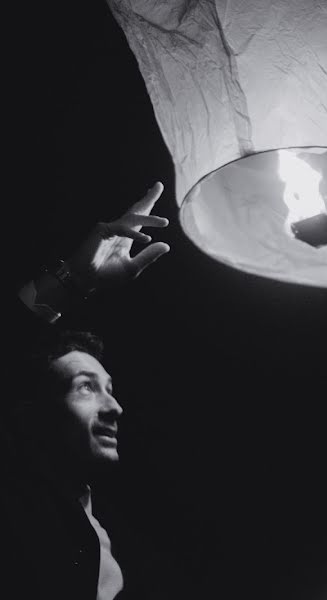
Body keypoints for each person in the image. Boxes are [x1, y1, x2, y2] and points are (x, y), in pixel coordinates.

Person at [2, 183, 170, 599]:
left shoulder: (124, 539)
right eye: (85, 388)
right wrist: (74, 278)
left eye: (109, 389)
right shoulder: (15, 505)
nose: (115, 407)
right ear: (30, 412)